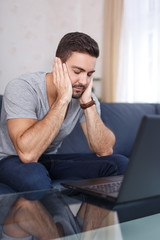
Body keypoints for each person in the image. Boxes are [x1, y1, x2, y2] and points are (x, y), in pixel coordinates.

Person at [0, 32, 128, 199]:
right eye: (77, 71)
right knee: (34, 177)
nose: (83, 81)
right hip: (11, 160)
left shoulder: (83, 94)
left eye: (89, 74)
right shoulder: (22, 88)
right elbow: (28, 154)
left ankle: (92, 225)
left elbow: (104, 150)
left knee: (120, 164)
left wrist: (88, 104)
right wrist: (62, 100)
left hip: (47, 160)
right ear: (58, 65)